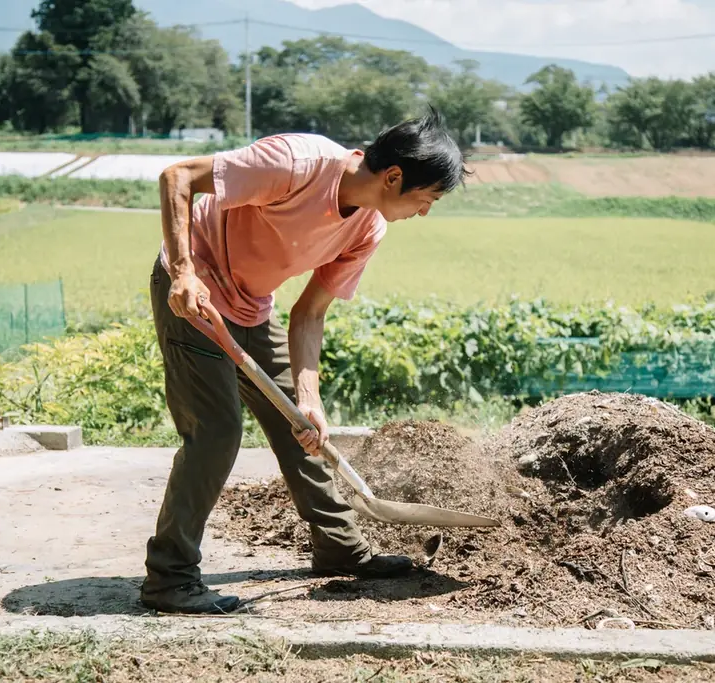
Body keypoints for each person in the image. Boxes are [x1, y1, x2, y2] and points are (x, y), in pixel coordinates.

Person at [139, 106, 470, 615]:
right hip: (194, 294)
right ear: (394, 177)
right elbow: (177, 176)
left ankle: (340, 548)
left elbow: (310, 313)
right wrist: (184, 273)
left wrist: (309, 398)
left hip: (250, 306)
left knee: (302, 425)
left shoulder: (366, 230)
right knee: (217, 431)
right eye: (427, 198)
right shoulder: (297, 163)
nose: (425, 212)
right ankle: (170, 577)